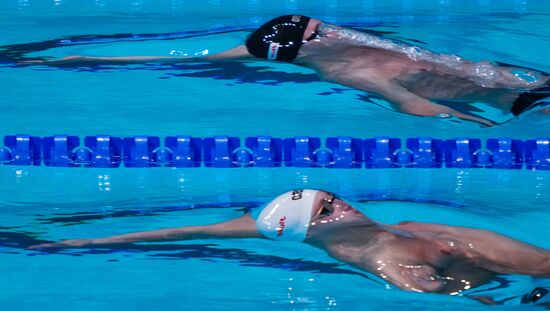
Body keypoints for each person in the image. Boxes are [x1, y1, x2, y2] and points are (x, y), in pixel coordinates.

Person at [21, 15, 550, 127]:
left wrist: (77, 58)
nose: (328, 28)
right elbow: (412, 105)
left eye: (319, 22)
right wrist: (485, 129)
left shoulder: (335, 42)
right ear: (306, 50)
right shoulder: (346, 73)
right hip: (519, 100)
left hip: (518, 73)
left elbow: (179, 58)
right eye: (318, 32)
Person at [30, 189, 550, 296]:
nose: (342, 206)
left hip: (426, 236)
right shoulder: (380, 256)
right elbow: (448, 295)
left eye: (335, 198)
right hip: (448, 260)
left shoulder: (269, 221)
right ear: (314, 229)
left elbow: (178, 231)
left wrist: (82, 241)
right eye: (327, 211)